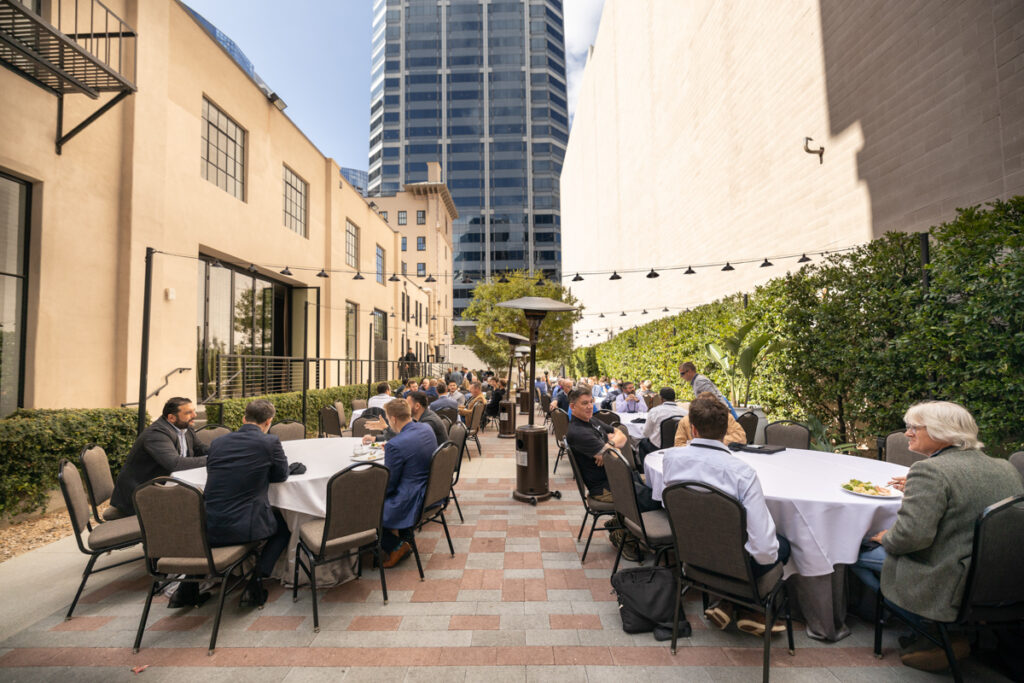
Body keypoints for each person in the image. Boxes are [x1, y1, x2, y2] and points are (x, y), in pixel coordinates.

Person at [850, 401, 1024, 672]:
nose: (907, 433)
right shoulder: (1004, 466)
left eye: (914, 427)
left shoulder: (930, 471)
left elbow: (909, 538)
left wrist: (884, 536)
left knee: (856, 554)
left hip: (951, 579)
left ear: (942, 432)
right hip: (1002, 577)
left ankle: (937, 630)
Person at [660, 395, 789, 636]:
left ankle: (728, 603)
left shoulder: (671, 459)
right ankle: (751, 607)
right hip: (734, 563)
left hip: (691, 556)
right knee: (783, 544)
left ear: (694, 429)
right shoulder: (742, 473)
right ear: (726, 430)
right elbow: (763, 549)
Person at [204, 399, 289, 607]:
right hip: (244, 526)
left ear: (244, 418)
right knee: (285, 526)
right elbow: (281, 475)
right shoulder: (269, 442)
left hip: (207, 524)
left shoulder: (218, 443)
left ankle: (186, 588)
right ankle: (256, 581)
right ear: (269, 421)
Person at [565, 386, 659, 561]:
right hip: (605, 488)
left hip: (618, 479)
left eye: (591, 402)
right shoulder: (578, 432)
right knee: (655, 501)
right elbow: (616, 453)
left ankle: (619, 524)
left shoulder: (591, 421)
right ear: (572, 407)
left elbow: (622, 433)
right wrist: (611, 450)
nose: (589, 406)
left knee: (654, 491)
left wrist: (609, 448)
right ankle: (624, 536)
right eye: (584, 403)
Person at [110, 397, 207, 515]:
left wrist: (222, 452)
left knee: (202, 498)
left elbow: (200, 448)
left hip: (163, 485)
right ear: (171, 418)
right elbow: (175, 464)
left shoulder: (185, 428)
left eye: (194, 411)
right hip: (140, 494)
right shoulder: (156, 434)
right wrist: (213, 459)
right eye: (188, 413)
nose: (195, 415)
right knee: (197, 505)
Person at [377, 398, 436, 567]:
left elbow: (390, 484)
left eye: (388, 418)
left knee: (363, 508)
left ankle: (396, 546)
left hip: (411, 499)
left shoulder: (395, 445)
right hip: (429, 490)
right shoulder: (426, 428)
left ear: (393, 418)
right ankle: (403, 536)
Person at [674, 392, 748, 446]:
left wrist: (706, 443)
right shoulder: (685, 421)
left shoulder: (726, 417)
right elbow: (678, 444)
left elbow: (740, 438)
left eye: (710, 406)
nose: (706, 410)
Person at [638, 387, 688, 459]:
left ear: (660, 398)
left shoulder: (654, 411)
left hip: (658, 449)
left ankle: (645, 468)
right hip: (679, 447)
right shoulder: (685, 413)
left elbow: (646, 433)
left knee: (642, 442)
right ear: (674, 398)